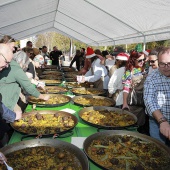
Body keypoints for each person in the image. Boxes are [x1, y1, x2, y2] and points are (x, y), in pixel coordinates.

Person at [0, 46, 49, 112]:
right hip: (6, 99)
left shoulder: (12, 64)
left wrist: (36, 83)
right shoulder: (17, 69)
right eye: (25, 65)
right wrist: (43, 97)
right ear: (22, 62)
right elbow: (28, 87)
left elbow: (21, 78)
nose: (25, 67)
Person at [144, 47, 170, 145]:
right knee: (158, 151)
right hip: (157, 122)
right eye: (163, 64)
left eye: (169, 63)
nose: (166, 67)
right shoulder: (152, 78)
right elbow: (149, 100)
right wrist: (162, 121)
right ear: (158, 62)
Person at [122, 51, 149, 134]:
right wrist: (125, 103)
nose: (142, 62)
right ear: (133, 60)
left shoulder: (145, 69)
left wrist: (146, 58)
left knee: (140, 125)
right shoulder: (129, 72)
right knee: (131, 125)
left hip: (142, 105)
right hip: (133, 104)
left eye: (143, 60)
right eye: (139, 60)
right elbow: (126, 89)